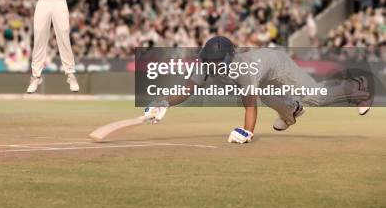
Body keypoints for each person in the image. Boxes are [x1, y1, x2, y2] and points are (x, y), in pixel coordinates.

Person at [144, 36, 372, 144]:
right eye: (208, 60)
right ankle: (292, 111)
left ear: (228, 57)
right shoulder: (205, 64)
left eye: (215, 60)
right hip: (263, 77)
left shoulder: (242, 68)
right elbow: (187, 89)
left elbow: (249, 104)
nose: (209, 64)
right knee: (273, 99)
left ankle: (357, 88)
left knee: (315, 97)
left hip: (278, 66)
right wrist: (163, 101)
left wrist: (246, 132)